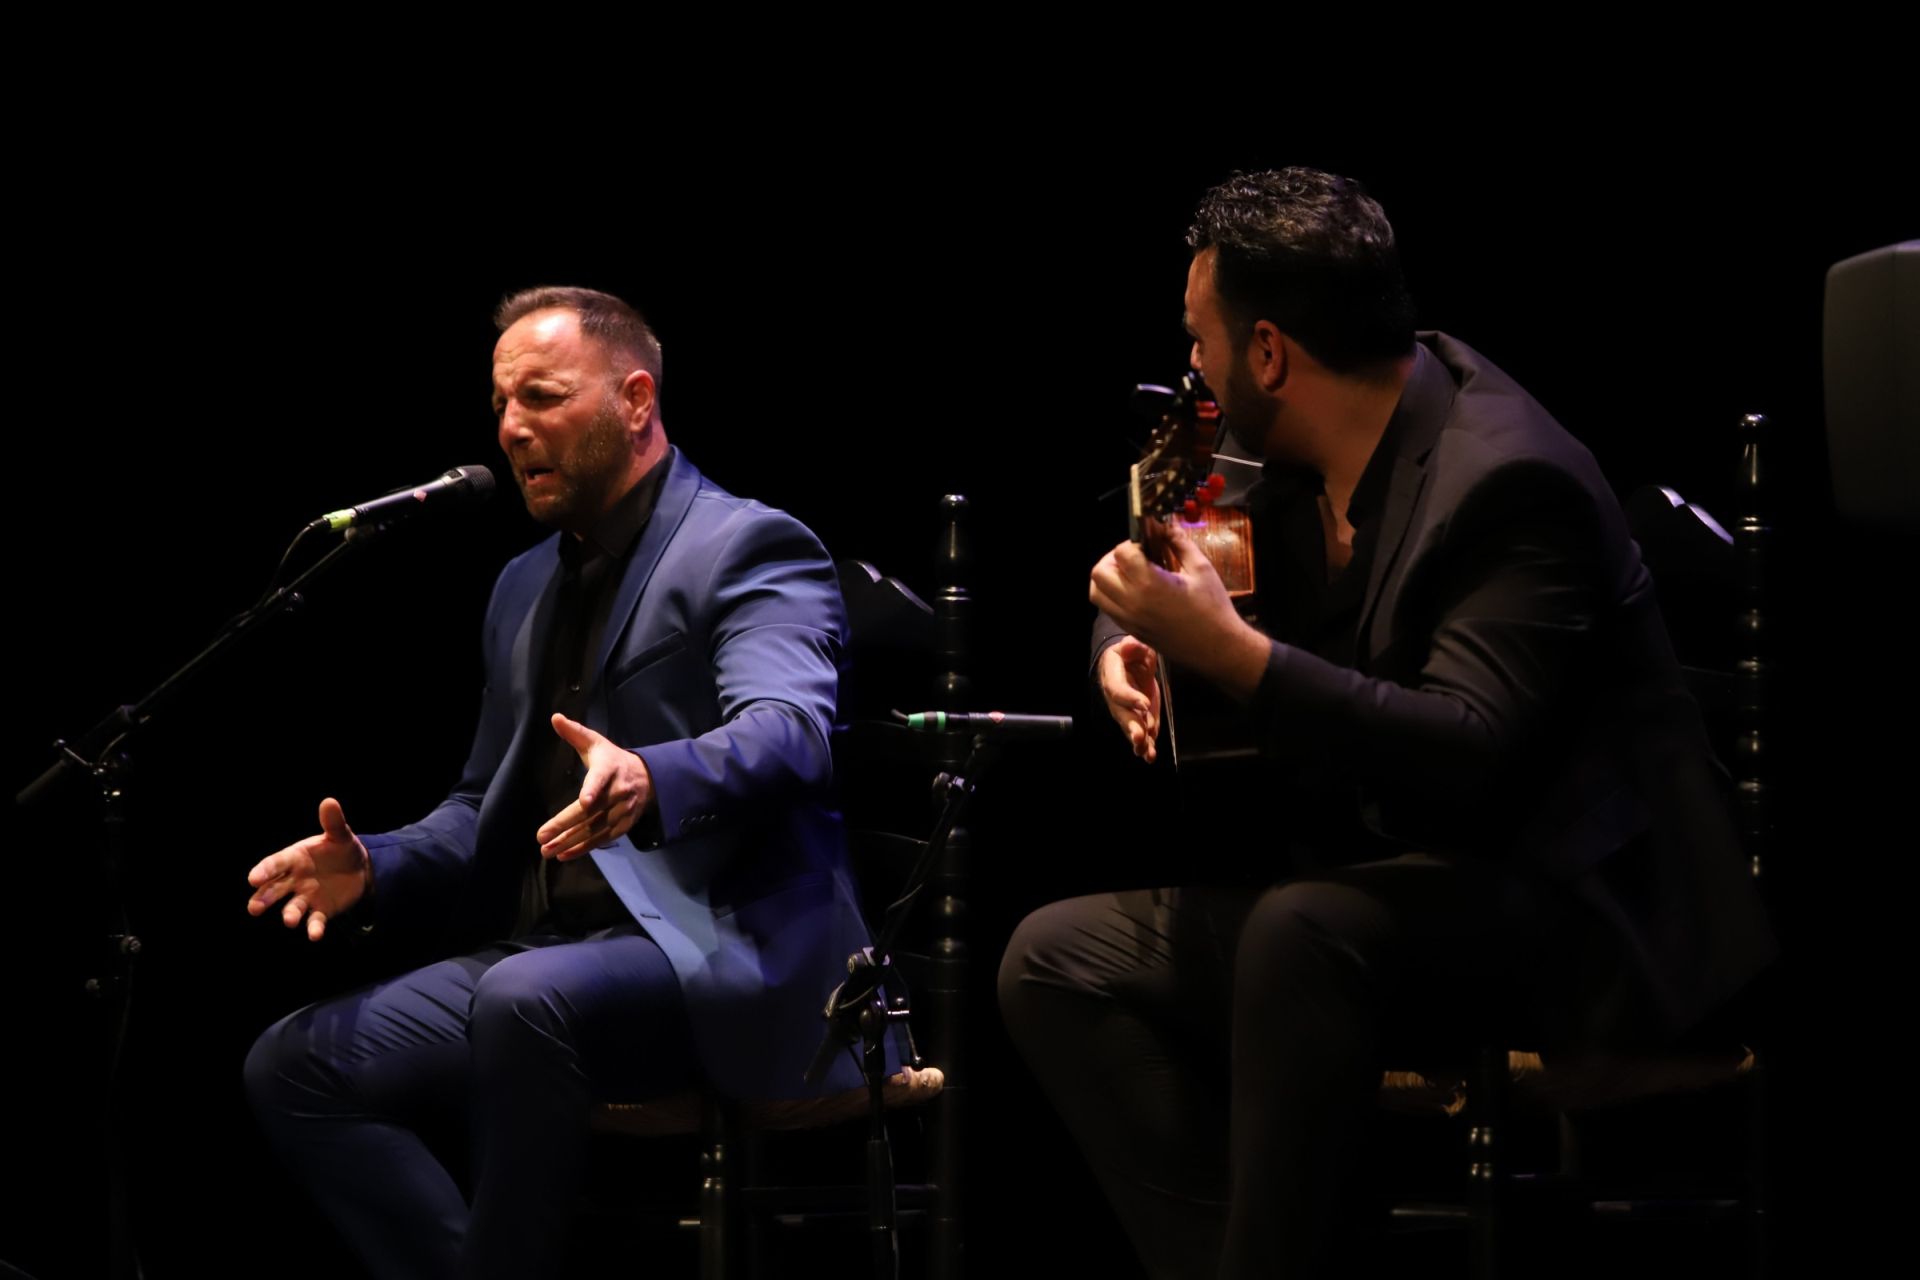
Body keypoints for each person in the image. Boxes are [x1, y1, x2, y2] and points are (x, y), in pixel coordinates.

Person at [997, 169, 1775, 1278]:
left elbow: (1471, 749)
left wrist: (1231, 650)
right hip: (1401, 891)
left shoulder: (1507, 478)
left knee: (1304, 929)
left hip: (1585, 912)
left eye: (1202, 342)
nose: (1194, 372)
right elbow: (1169, 547)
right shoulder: (1264, 447)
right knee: (1054, 956)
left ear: (1269, 352)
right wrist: (1134, 645)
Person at [243, 285, 879, 1279]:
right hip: (548, 952)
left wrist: (652, 776)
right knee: (298, 1063)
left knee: (522, 998)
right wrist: (378, 863)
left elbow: (792, 733)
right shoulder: (522, 583)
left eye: (541, 396)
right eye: (501, 405)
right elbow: (478, 807)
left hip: (720, 949)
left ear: (635, 398)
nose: (510, 429)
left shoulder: (750, 543)